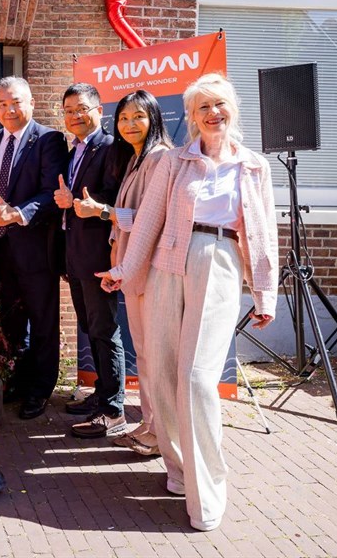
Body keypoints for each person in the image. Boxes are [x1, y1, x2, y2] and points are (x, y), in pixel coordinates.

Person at [97, 73, 279, 532]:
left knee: (197, 379)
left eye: (219, 105)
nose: (212, 114)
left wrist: (265, 292)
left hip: (219, 261)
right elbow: (150, 220)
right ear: (192, 118)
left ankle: (207, 494)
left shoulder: (253, 166)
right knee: (158, 370)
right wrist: (124, 270)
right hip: (165, 263)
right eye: (202, 108)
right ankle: (178, 468)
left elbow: (263, 234)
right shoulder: (174, 162)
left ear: (232, 109)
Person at [72, 90, 172, 455]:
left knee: (152, 354)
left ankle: (159, 432)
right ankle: (149, 425)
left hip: (147, 267)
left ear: (154, 118)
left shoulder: (160, 159)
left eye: (138, 117)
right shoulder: (135, 159)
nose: (130, 124)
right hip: (130, 265)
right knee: (144, 352)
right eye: (124, 118)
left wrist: (102, 212)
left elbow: (149, 220)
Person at [0, 76, 67, 420]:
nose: (8, 110)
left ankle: (40, 388)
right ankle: (19, 378)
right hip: (3, 253)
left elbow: (51, 193)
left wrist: (18, 213)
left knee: (43, 321)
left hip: (36, 250)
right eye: (1, 104)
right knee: (12, 321)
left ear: (30, 102)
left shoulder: (48, 140)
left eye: (15, 102)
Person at [54, 83, 125, 439]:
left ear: (99, 110)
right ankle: (101, 395)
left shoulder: (111, 148)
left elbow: (115, 200)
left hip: (100, 256)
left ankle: (113, 410)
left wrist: (88, 208)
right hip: (76, 256)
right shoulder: (74, 150)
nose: (75, 116)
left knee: (105, 331)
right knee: (91, 328)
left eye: (82, 109)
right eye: (68, 111)